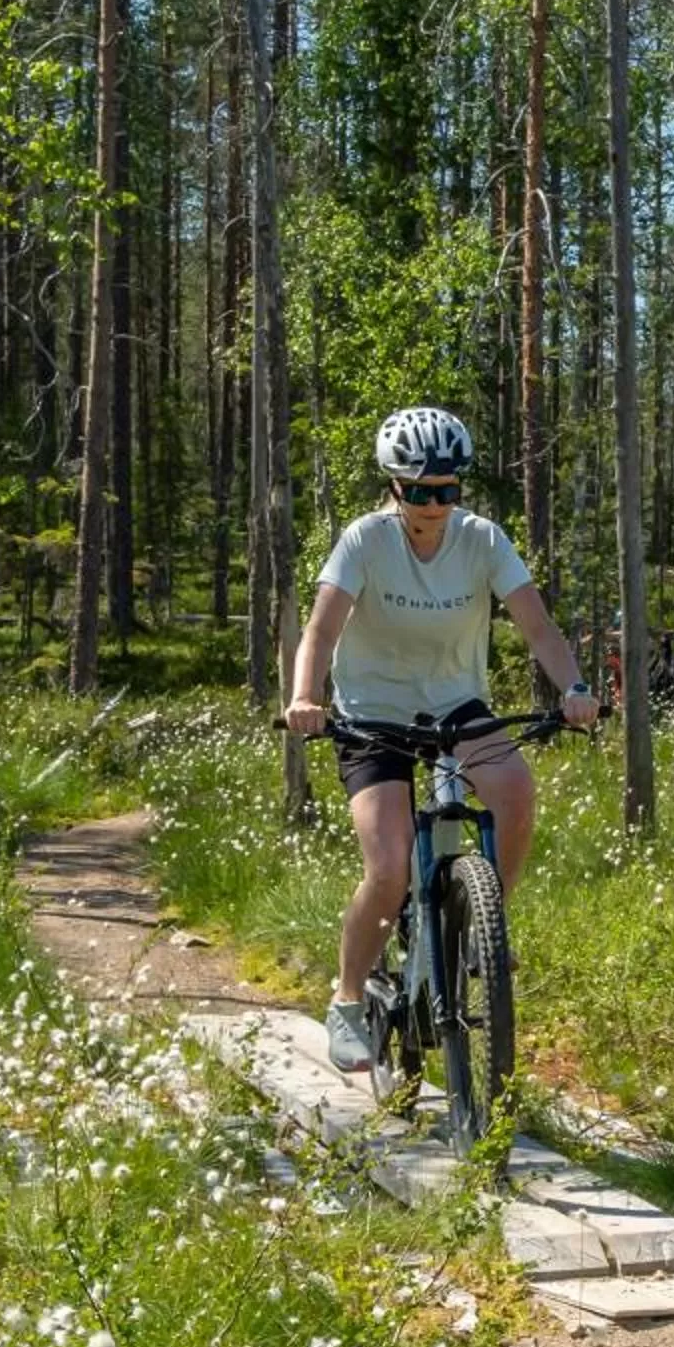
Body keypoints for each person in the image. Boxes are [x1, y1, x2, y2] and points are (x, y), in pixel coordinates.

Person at [284, 406, 598, 1072]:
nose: (434, 505)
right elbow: (322, 631)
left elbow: (538, 628)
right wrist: (306, 698)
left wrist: (573, 690)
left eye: (447, 491)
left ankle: (486, 924)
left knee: (514, 790)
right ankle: (345, 1005)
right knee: (391, 865)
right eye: (419, 491)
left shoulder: (483, 540)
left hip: (456, 703)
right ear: (393, 486)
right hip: (373, 711)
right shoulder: (365, 541)